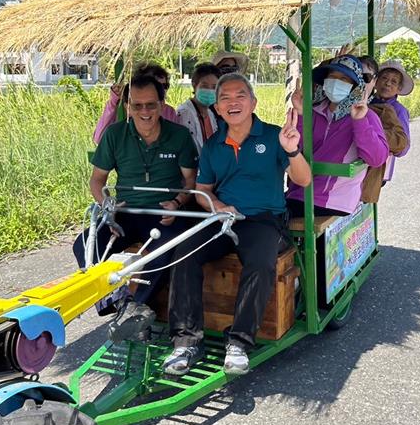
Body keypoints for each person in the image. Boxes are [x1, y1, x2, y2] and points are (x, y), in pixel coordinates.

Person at [163, 73, 311, 377]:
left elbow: (304, 179)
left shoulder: (274, 136)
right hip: (223, 218)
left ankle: (239, 342)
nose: (233, 102)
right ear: (217, 108)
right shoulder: (213, 146)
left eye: (240, 95)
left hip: (262, 219)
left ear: (253, 103)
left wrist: (292, 150)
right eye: (225, 98)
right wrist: (217, 207)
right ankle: (186, 341)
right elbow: (202, 191)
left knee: (261, 262)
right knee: (184, 251)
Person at [73, 74, 198, 341]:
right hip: (125, 213)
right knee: (84, 244)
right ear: (127, 106)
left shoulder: (179, 136)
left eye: (151, 104)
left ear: (162, 105)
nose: (145, 112)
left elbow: (191, 181)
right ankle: (123, 306)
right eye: (137, 105)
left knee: (166, 251)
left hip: (163, 214)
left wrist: (177, 203)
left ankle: (134, 308)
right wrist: (107, 206)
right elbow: (97, 180)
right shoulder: (115, 135)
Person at [286, 55, 389, 217]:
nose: (335, 82)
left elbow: (377, 158)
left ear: (354, 86)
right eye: (332, 77)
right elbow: (296, 148)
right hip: (300, 194)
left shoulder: (367, 116)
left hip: (334, 201)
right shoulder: (313, 112)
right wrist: (300, 113)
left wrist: (359, 122)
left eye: (343, 79)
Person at [359, 56, 409, 204]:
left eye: (394, 81)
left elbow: (403, 148)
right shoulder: (365, 101)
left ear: (399, 89)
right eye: (384, 78)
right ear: (375, 81)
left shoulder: (399, 111)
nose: (387, 83)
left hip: (377, 170)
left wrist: (377, 138)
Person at [93, 62, 178, 144]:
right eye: (155, 86)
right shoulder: (125, 109)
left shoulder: (169, 112)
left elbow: (177, 141)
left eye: (164, 86)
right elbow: (99, 138)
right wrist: (113, 102)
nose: (161, 90)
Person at [176, 62, 221, 150]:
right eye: (204, 86)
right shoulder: (184, 113)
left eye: (214, 87)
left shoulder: (210, 113)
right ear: (194, 85)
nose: (209, 90)